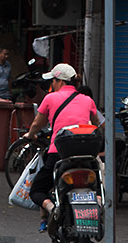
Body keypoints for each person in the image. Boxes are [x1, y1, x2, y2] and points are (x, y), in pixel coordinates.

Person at [21, 63, 98, 232]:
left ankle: (52, 208)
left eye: (53, 81)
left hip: (59, 154)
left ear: (60, 81)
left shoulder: (50, 98)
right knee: (96, 184)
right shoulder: (87, 100)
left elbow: (37, 124)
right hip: (87, 155)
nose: (52, 85)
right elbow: (98, 124)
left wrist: (31, 135)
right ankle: (98, 202)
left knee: (37, 190)